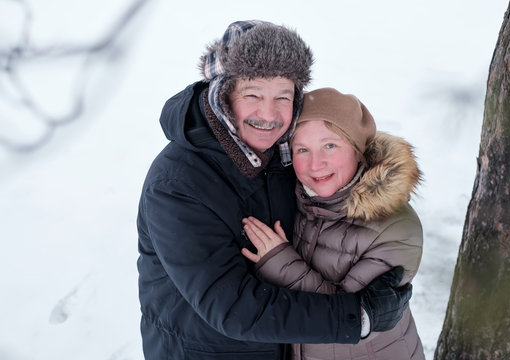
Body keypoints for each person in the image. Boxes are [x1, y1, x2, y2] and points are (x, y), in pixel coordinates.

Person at [137, 20, 412, 360]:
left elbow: (339, 159)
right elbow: (231, 306)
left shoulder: (284, 155)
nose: (268, 115)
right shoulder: (178, 184)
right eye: (252, 95)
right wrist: (358, 318)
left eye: (282, 96)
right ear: (223, 94)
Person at [242, 88, 425, 359]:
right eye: (302, 149)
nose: (316, 164)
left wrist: (279, 262)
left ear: (358, 150)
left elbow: (346, 316)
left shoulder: (395, 228)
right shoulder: (300, 199)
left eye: (330, 145)